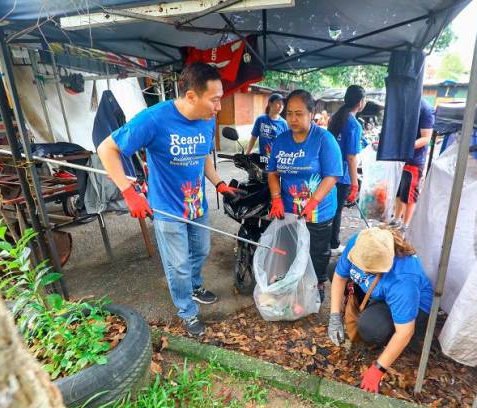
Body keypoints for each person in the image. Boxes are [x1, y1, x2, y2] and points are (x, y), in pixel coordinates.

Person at [97, 63, 240, 337]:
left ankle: (195, 287)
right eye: (214, 99)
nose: (218, 107)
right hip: (167, 209)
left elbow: (203, 156)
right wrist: (129, 192)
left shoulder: (207, 119)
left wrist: (219, 183)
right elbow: (107, 149)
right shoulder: (153, 119)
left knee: (200, 251)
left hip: (196, 205)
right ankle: (187, 311)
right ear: (191, 97)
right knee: (178, 266)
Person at [327, 227, 433, 393]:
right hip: (379, 290)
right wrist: (334, 317)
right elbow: (340, 277)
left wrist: (378, 369)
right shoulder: (362, 241)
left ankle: (380, 333)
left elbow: (405, 332)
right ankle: (370, 307)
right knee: (333, 269)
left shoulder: (403, 280)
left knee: (370, 328)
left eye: (366, 269)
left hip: (413, 307)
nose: (361, 269)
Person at [266, 89, 343, 301]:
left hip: (319, 210)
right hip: (289, 208)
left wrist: (313, 202)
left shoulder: (324, 139)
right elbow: (272, 172)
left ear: (311, 113)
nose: (292, 119)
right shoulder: (281, 140)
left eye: (299, 113)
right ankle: (294, 281)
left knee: (317, 251)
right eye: (289, 113)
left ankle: (317, 283)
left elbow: (332, 175)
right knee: (291, 247)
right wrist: (276, 198)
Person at [327, 85, 366, 256]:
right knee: (336, 211)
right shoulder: (354, 125)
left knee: (328, 209)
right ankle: (333, 244)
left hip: (328, 172)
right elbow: (351, 158)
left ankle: (326, 241)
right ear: (360, 102)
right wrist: (355, 183)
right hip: (341, 176)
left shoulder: (335, 119)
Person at [391, 99, 435, 230]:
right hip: (402, 159)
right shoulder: (404, 104)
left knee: (409, 196)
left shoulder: (425, 109)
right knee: (399, 193)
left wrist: (406, 147)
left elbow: (426, 138)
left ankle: (406, 225)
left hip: (415, 160)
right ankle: (397, 219)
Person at [245, 93, 288, 161]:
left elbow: (286, 143)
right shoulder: (261, 119)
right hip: (262, 159)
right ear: (270, 103)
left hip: (277, 159)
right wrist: (247, 154)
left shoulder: (284, 123)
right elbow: (253, 137)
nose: (281, 106)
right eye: (278, 103)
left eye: (282, 104)